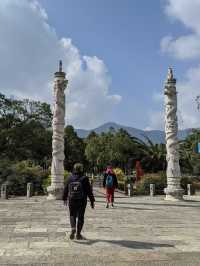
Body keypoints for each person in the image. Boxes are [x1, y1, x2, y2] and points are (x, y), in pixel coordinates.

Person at [63, 163, 95, 240]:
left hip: (72, 199)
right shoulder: (84, 178)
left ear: (74, 169)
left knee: (72, 215)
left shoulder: (69, 178)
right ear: (81, 169)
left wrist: (64, 198)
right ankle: (78, 234)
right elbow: (89, 191)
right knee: (81, 217)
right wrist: (92, 201)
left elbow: (66, 189)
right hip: (82, 200)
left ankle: (73, 228)